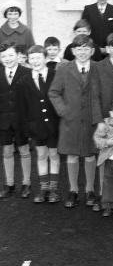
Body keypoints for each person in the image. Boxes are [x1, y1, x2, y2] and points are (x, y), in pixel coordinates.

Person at [48, 34, 99, 209]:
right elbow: (54, 93)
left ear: (92, 51)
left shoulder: (98, 68)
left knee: (91, 153)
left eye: (86, 48)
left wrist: (100, 118)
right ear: (72, 51)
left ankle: (90, 190)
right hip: (71, 119)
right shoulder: (64, 69)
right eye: (79, 49)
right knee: (72, 154)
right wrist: (64, 111)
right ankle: (73, 190)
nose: (82, 52)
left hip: (92, 120)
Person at [17, 45, 60, 203]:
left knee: (54, 155)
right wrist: (27, 129)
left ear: (45, 58)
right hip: (36, 126)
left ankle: (54, 190)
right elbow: (22, 108)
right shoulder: (23, 81)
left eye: (38, 58)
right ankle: (44, 189)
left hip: (54, 124)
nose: (35, 61)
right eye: (32, 58)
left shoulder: (55, 75)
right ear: (28, 61)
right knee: (41, 155)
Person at [0, 42, 32, 199]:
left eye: (11, 55)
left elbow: (31, 99)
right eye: (3, 56)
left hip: (22, 120)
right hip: (4, 120)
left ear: (18, 56)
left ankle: (26, 183)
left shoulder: (27, 72)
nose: (7, 59)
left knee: (24, 150)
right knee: (6, 151)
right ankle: (9, 184)